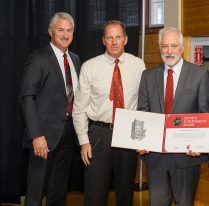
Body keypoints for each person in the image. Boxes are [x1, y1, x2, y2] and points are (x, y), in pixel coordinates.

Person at [72, 20, 146, 206]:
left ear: (126, 39)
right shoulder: (90, 66)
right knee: (95, 192)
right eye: (110, 38)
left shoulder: (138, 65)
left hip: (128, 133)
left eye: (118, 37)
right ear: (103, 40)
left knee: (125, 192)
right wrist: (84, 141)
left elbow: (144, 104)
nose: (114, 42)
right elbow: (79, 108)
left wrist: (142, 138)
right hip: (98, 134)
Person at [137, 27, 209, 206]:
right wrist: (141, 142)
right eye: (164, 46)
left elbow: (205, 113)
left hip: (187, 156)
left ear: (181, 47)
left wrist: (200, 145)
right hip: (156, 157)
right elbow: (143, 112)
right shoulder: (147, 76)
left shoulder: (199, 75)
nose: (169, 51)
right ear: (160, 48)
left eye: (173, 46)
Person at [19, 12, 81, 206]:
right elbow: (26, 98)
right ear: (50, 31)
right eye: (60, 30)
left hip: (68, 134)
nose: (65, 34)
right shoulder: (38, 58)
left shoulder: (75, 59)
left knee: (59, 191)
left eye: (69, 30)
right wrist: (36, 135)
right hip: (43, 137)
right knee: (36, 193)